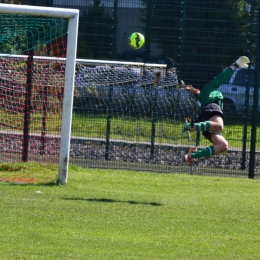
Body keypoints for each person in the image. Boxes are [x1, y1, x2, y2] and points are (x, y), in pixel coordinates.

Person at [182, 56, 250, 165]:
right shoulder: (208, 89)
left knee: (223, 146)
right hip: (211, 108)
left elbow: (203, 115)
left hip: (207, 121)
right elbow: (222, 77)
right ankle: (194, 126)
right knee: (219, 126)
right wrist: (235, 65)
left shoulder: (200, 99)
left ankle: (192, 155)